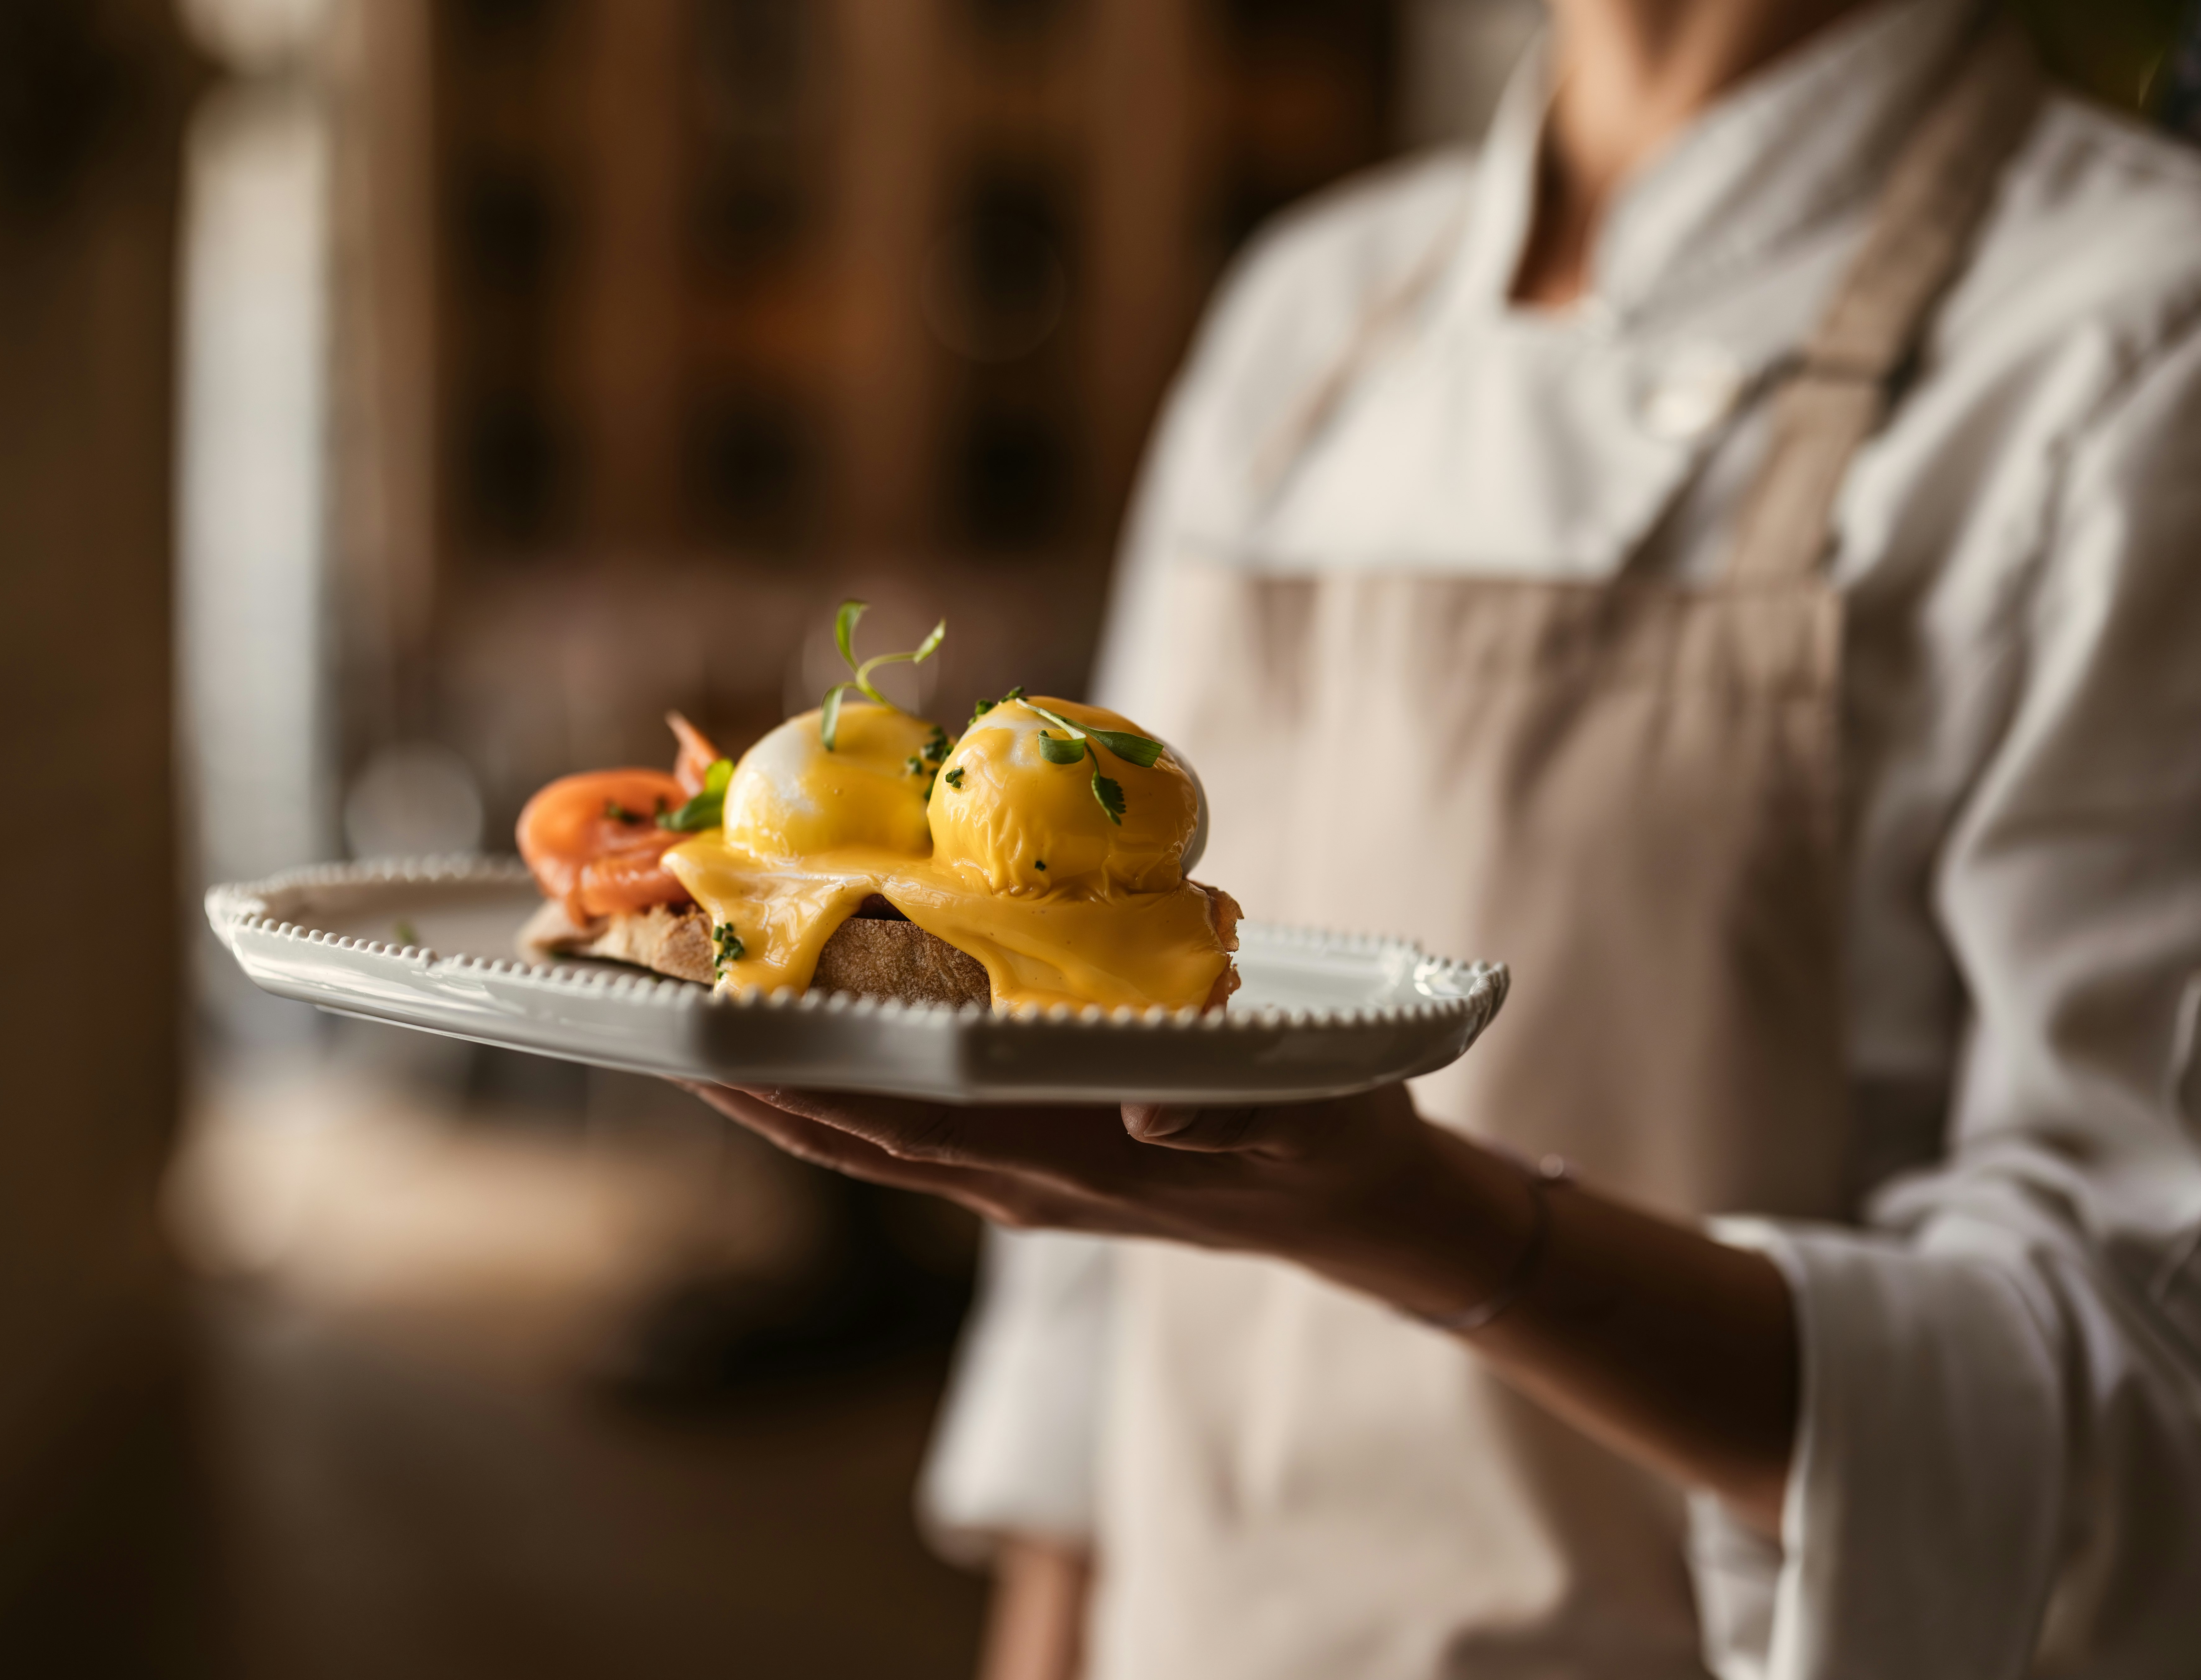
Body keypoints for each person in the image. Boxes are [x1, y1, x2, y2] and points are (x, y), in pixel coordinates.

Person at [696, 0, 2201, 1674]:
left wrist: (1432, 1222)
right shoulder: (1313, 313)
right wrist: (1047, 1622)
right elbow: (1090, 1275)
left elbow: (2136, 1417)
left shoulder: (2130, 339)